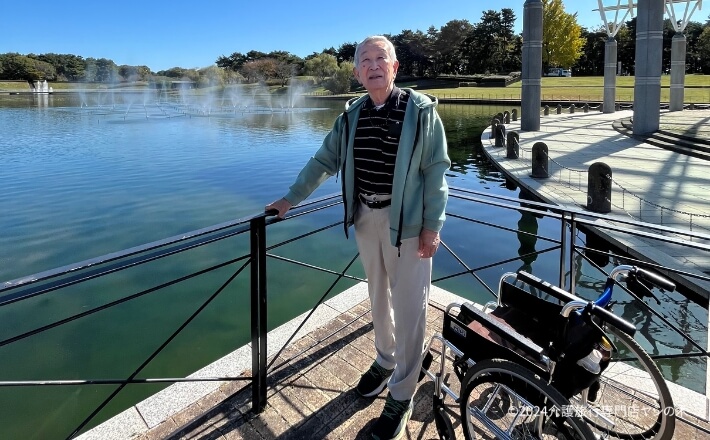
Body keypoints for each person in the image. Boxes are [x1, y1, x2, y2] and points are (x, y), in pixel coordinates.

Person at [265, 35, 450, 440]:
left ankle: (402, 390)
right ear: (357, 72)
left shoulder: (420, 112)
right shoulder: (350, 116)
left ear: (395, 66)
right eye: (364, 60)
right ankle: (385, 361)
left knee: (410, 306)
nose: (373, 65)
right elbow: (324, 161)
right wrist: (289, 199)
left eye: (380, 57)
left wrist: (433, 226)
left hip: (410, 225)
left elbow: (436, 170)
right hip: (366, 217)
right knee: (378, 296)